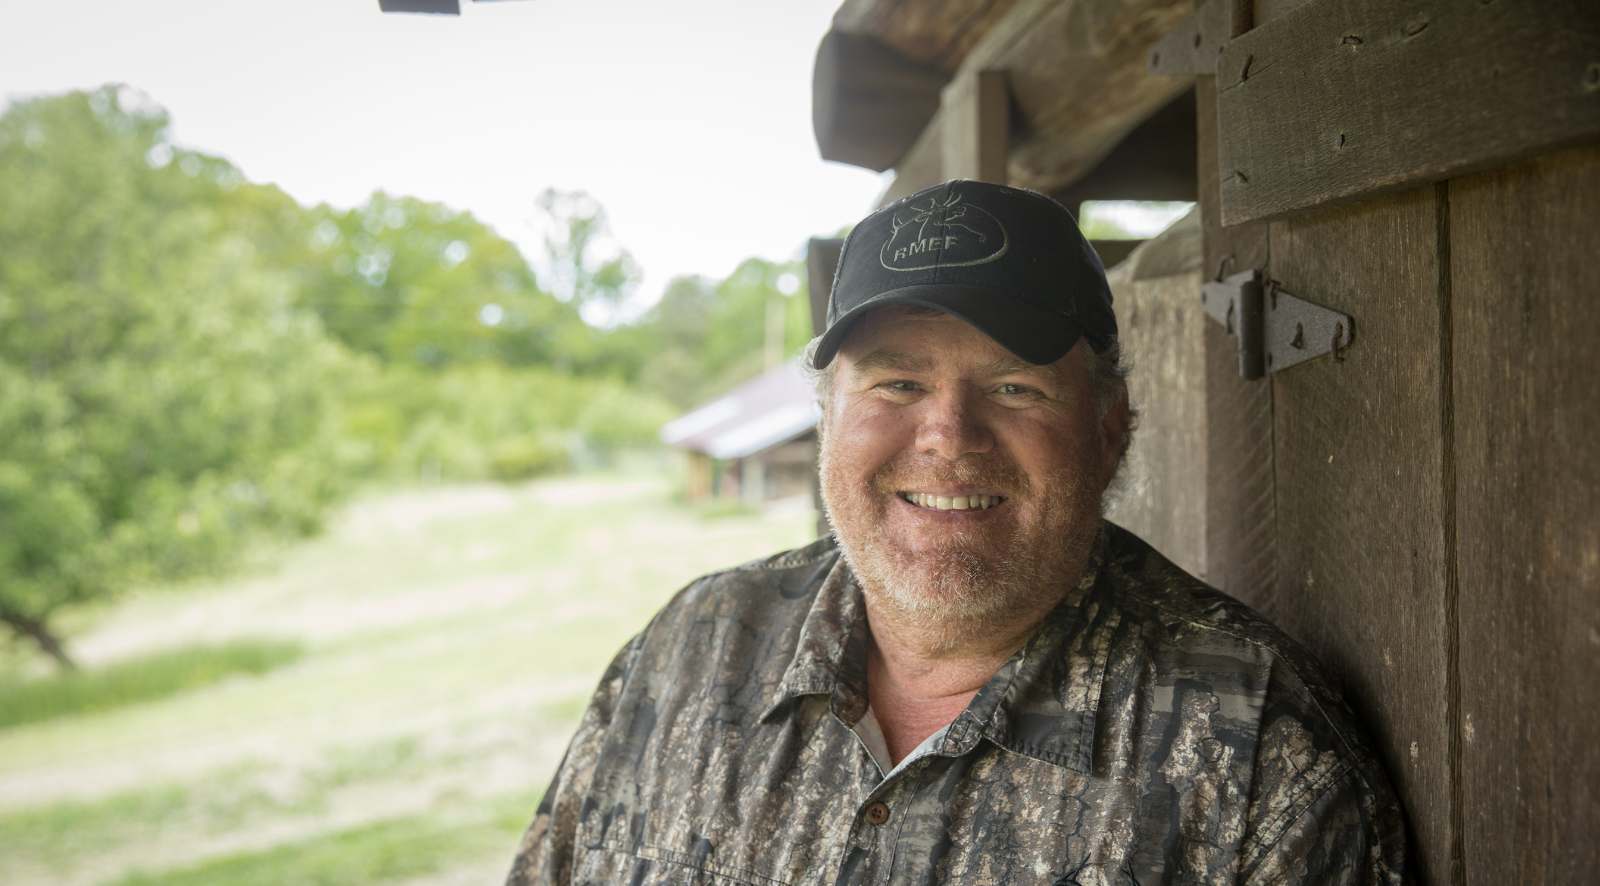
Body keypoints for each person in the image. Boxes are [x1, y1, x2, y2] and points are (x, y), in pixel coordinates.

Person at [505, 180, 1408, 885]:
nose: (947, 437)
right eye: (896, 385)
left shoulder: (1258, 751)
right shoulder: (685, 652)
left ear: (1108, 427)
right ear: (827, 419)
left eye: (1014, 387)